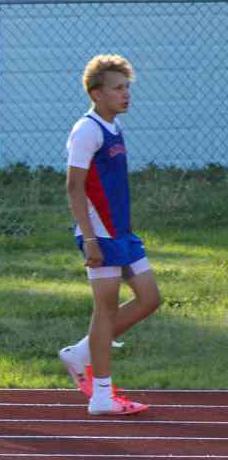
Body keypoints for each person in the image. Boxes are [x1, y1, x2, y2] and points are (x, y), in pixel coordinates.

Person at [59, 54, 161, 415]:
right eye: (118, 88)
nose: (126, 94)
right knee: (104, 311)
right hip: (100, 235)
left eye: (127, 87)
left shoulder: (115, 127)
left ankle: (82, 352)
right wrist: (89, 240)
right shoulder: (87, 130)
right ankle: (101, 395)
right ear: (96, 93)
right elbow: (74, 187)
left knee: (150, 298)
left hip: (123, 233)